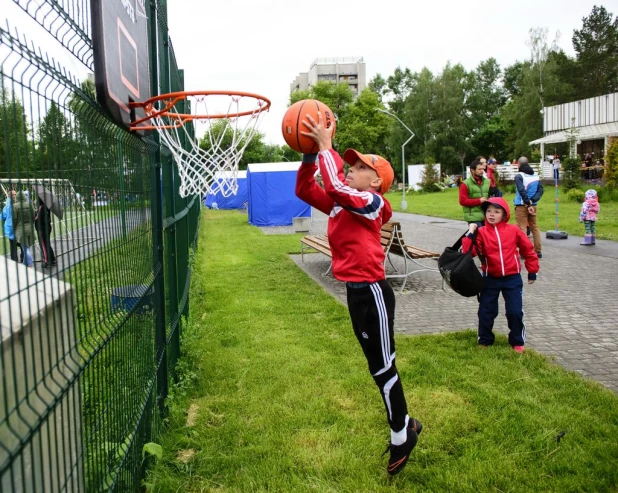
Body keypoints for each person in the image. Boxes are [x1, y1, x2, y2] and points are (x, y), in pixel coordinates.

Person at [295, 112, 422, 476]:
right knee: (376, 366)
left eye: (360, 165)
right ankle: (407, 424)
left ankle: (402, 434)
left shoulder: (374, 204)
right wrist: (308, 154)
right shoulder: (343, 202)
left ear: (377, 180)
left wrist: (326, 147)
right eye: (349, 163)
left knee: (384, 366)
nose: (351, 167)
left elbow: (336, 186)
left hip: (373, 292)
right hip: (355, 292)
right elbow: (305, 190)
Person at [462, 198, 539, 353]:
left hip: (512, 279)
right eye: (489, 211)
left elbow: (528, 250)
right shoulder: (481, 232)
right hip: (490, 278)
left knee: (515, 311)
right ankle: (485, 339)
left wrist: (532, 270)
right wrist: (470, 233)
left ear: (504, 214)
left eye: (496, 212)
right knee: (486, 311)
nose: (492, 214)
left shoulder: (513, 230)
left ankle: (517, 340)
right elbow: (468, 252)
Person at [513, 157, 544, 258]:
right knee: (534, 227)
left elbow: (521, 190)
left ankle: (525, 251)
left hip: (521, 205)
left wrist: (527, 202)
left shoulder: (519, 176)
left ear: (518, 165)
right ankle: (538, 251)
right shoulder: (536, 176)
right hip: (533, 205)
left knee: (522, 228)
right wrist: (532, 201)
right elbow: (540, 191)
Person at [459, 159, 490, 228]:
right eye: (479, 169)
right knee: (477, 238)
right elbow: (462, 201)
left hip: (487, 216)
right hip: (473, 217)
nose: (482, 171)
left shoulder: (487, 182)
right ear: (472, 170)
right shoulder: (465, 184)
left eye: (483, 169)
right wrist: (479, 201)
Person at [12, 191, 36, 268]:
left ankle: (30, 264)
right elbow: (33, 215)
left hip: (21, 229)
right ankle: (24, 265)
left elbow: (14, 219)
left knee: (25, 248)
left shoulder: (15, 206)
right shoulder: (29, 204)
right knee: (26, 247)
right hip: (30, 228)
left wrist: (14, 228)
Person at [34, 197, 57, 268]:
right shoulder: (47, 207)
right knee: (47, 243)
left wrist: (33, 216)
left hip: (42, 228)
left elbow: (37, 218)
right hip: (47, 226)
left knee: (43, 245)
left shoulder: (41, 207)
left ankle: (47, 261)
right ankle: (52, 259)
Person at [1, 189, 20, 262]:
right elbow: (3, 215)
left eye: (15, 194)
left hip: (16, 228)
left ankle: (19, 259)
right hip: (11, 229)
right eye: (13, 195)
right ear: (9, 196)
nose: (14, 196)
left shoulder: (14, 204)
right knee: (14, 245)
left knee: (18, 245)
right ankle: (15, 260)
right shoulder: (8, 206)